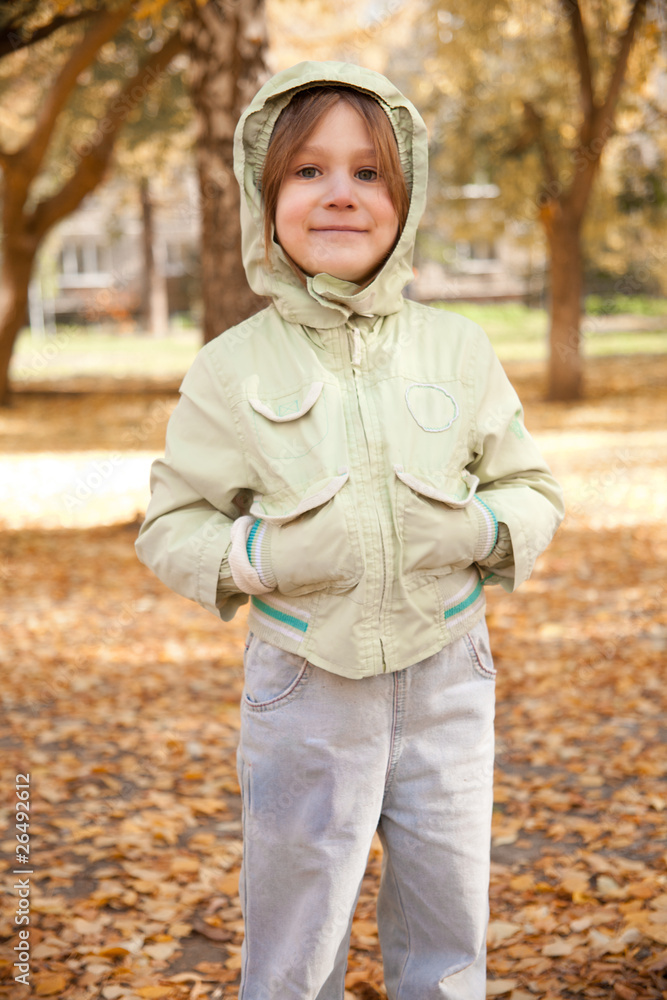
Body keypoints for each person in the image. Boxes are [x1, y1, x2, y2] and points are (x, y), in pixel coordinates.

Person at [136, 61, 564, 1000]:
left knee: (447, 929)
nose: (340, 194)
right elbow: (170, 522)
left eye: (369, 172)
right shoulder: (230, 367)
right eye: (309, 172)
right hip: (304, 683)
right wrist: (260, 556)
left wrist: (484, 529)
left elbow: (531, 486)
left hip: (449, 670)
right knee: (296, 939)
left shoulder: (457, 348)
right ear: (267, 196)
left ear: (405, 199)